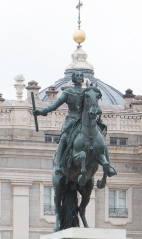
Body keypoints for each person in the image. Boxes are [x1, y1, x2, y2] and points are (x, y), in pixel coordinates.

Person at [33, 71, 115, 229]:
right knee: (64, 137)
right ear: (73, 78)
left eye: (80, 75)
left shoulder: (86, 92)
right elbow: (54, 106)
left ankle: (109, 167)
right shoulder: (68, 92)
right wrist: (41, 112)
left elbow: (93, 103)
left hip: (87, 119)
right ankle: (58, 164)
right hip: (72, 120)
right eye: (76, 75)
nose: (79, 77)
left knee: (102, 140)